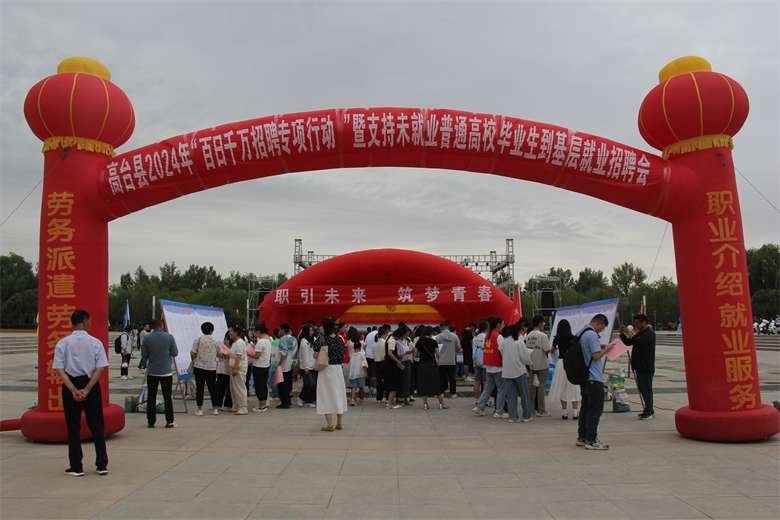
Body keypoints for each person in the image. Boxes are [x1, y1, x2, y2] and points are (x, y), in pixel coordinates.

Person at [52, 310, 109, 476]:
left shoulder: (63, 343)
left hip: (71, 384)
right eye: (89, 321)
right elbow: (100, 368)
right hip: (90, 384)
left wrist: (74, 390)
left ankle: (76, 466)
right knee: (97, 426)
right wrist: (87, 389)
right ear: (85, 322)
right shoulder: (95, 343)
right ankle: (102, 465)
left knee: (73, 427)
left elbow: (59, 370)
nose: (90, 324)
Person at [577, 314, 614, 450]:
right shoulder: (592, 334)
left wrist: (600, 346)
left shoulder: (581, 332)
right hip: (594, 377)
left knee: (585, 408)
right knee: (595, 410)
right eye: (602, 328)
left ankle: (582, 436)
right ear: (599, 323)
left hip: (585, 377)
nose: (601, 330)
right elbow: (596, 356)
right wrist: (606, 350)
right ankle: (591, 440)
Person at [142, 319, 179, 428]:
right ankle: (169, 421)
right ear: (162, 326)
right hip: (166, 371)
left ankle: (151, 421)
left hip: (152, 371)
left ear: (152, 327)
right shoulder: (169, 337)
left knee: (151, 396)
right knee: (167, 396)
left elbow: (144, 355)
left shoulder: (147, 338)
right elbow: (175, 353)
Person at [313, 317, 348, 431]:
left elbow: (315, 355)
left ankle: (329, 424)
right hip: (338, 369)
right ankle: (339, 422)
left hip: (326, 369)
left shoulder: (321, 339)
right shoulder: (339, 339)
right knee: (338, 394)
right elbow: (343, 354)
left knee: (326, 394)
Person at [620, 314, 656, 420]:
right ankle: (649, 409)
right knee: (642, 389)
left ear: (644, 322)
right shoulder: (640, 333)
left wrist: (629, 333)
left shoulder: (649, 333)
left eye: (637, 323)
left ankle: (648, 411)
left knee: (646, 389)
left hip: (646, 366)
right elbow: (630, 342)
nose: (636, 325)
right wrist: (622, 334)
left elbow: (640, 342)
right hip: (639, 366)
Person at [472, 317, 507, 418]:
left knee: (488, 388)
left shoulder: (488, 335)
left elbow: (484, 347)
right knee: (501, 389)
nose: (503, 326)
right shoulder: (498, 336)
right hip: (498, 366)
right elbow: (503, 350)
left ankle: (479, 406)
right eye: (503, 324)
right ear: (498, 325)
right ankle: (499, 411)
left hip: (489, 366)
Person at [548, 319, 580, 420]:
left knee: (562, 387)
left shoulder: (557, 338)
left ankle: (565, 412)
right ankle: (575, 413)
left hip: (561, 363)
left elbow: (552, 350)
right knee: (573, 387)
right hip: (571, 363)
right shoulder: (574, 338)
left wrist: (557, 349)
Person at [502, 322, 533, 423]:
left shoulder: (505, 342)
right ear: (519, 331)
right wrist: (530, 362)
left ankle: (513, 416)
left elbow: (502, 353)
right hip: (519, 371)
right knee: (524, 394)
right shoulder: (519, 342)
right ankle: (527, 415)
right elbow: (525, 358)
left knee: (511, 396)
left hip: (507, 371)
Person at [190, 321, 221, 416]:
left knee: (200, 388)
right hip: (211, 367)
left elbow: (192, 353)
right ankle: (215, 408)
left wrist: (196, 358)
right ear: (212, 330)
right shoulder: (216, 341)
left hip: (199, 367)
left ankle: (200, 409)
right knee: (212, 388)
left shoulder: (198, 340)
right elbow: (220, 353)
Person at [413, 326, 448, 410]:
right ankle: (441, 403)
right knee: (435, 383)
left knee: (423, 384)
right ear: (431, 333)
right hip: (431, 364)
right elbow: (438, 354)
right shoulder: (433, 342)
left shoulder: (419, 342)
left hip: (422, 364)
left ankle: (425, 404)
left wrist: (422, 355)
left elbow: (415, 355)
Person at [526, 315, 552, 417]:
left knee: (531, 388)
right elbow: (547, 350)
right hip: (542, 364)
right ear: (540, 324)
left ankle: (531, 409)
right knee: (541, 388)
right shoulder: (542, 336)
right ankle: (541, 410)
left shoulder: (528, 336)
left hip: (531, 364)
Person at [248, 322, 272, 412]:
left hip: (258, 366)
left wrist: (247, 353)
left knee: (259, 386)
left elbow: (257, 356)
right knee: (264, 385)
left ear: (258, 332)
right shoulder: (267, 341)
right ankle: (264, 404)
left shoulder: (260, 342)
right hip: (266, 366)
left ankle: (261, 406)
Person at [435, 321, 459, 398]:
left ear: (441, 328)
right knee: (452, 378)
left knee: (441, 377)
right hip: (451, 360)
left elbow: (435, 348)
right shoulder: (455, 336)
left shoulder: (438, 337)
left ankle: (441, 392)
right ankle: (453, 393)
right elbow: (458, 347)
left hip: (441, 361)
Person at [228, 325, 248, 415]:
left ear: (236, 332)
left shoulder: (240, 342)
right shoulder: (235, 343)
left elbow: (238, 356)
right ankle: (236, 405)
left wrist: (235, 368)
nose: (230, 333)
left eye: (231, 331)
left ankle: (243, 407)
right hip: (235, 367)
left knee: (240, 387)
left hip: (239, 367)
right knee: (234, 387)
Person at [276, 323, 296, 409]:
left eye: (280, 329)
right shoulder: (293, 339)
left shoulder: (283, 339)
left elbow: (283, 353)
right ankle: (288, 400)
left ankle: (285, 402)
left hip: (283, 365)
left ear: (283, 330)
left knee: (282, 384)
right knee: (287, 383)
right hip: (290, 364)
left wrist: (279, 364)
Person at [297, 324, 316, 407]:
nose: (312, 332)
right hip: (305, 366)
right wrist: (306, 367)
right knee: (308, 383)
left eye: (312, 331)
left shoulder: (312, 341)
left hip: (312, 365)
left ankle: (309, 401)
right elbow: (305, 356)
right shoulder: (304, 342)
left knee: (313, 384)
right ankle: (301, 397)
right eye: (310, 331)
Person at [384, 328, 403, 409]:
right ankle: (389, 404)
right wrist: (397, 361)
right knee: (394, 384)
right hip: (392, 365)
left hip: (388, 364)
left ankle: (391, 402)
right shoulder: (392, 341)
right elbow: (390, 353)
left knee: (391, 383)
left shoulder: (389, 338)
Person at [215, 332, 233, 411]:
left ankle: (228, 405)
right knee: (219, 388)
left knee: (228, 388)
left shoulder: (231, 349)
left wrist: (226, 354)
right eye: (224, 340)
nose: (225, 342)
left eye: (227, 340)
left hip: (228, 371)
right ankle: (218, 404)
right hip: (220, 371)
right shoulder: (221, 349)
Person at [472, 319, 488, 402]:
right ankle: (485, 400)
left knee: (477, 382)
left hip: (476, 360)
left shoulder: (475, 337)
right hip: (485, 361)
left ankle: (477, 399)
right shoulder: (486, 336)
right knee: (486, 382)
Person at [347, 339, 368, 405]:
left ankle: (352, 399)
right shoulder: (362, 355)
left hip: (353, 373)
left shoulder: (351, 355)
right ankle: (362, 399)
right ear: (360, 347)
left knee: (353, 387)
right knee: (361, 387)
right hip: (360, 373)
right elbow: (364, 365)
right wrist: (366, 372)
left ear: (353, 347)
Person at [372, 326, 389, 403]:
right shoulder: (385, 343)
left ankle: (379, 398)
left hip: (376, 363)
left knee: (378, 381)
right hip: (384, 363)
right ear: (383, 334)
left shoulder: (374, 344)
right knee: (386, 380)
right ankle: (387, 397)